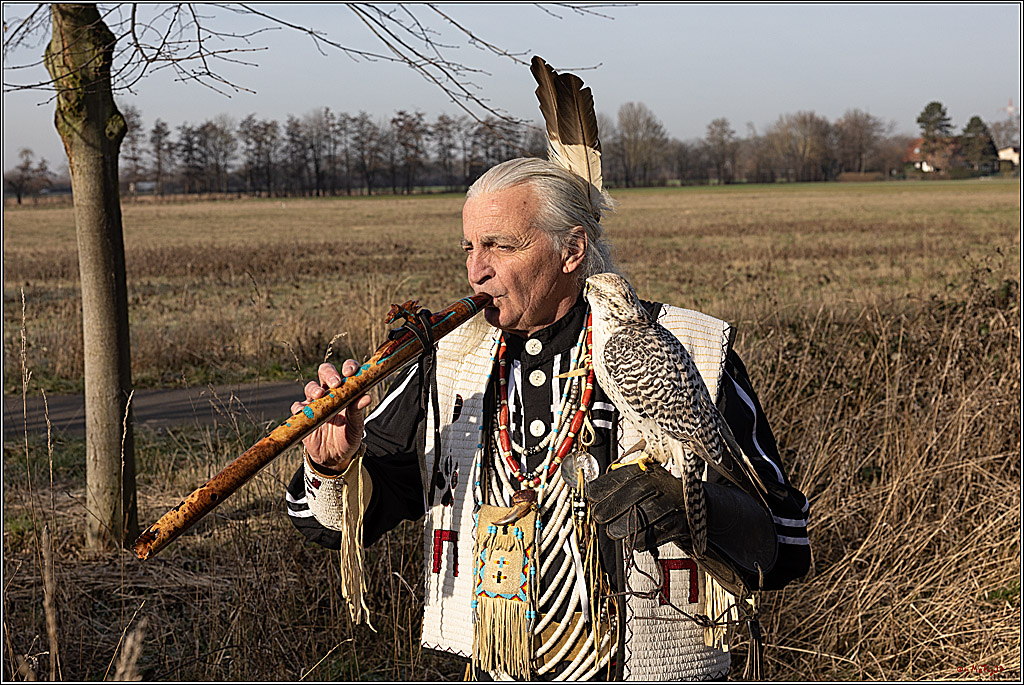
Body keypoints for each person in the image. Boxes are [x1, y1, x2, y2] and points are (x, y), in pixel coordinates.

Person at [285, 157, 810, 680]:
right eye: (470, 247)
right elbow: (327, 524)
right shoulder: (444, 359)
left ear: (572, 250)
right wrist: (331, 465)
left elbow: (785, 545)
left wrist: (693, 509)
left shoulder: (686, 348)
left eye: (500, 246)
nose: (476, 270)